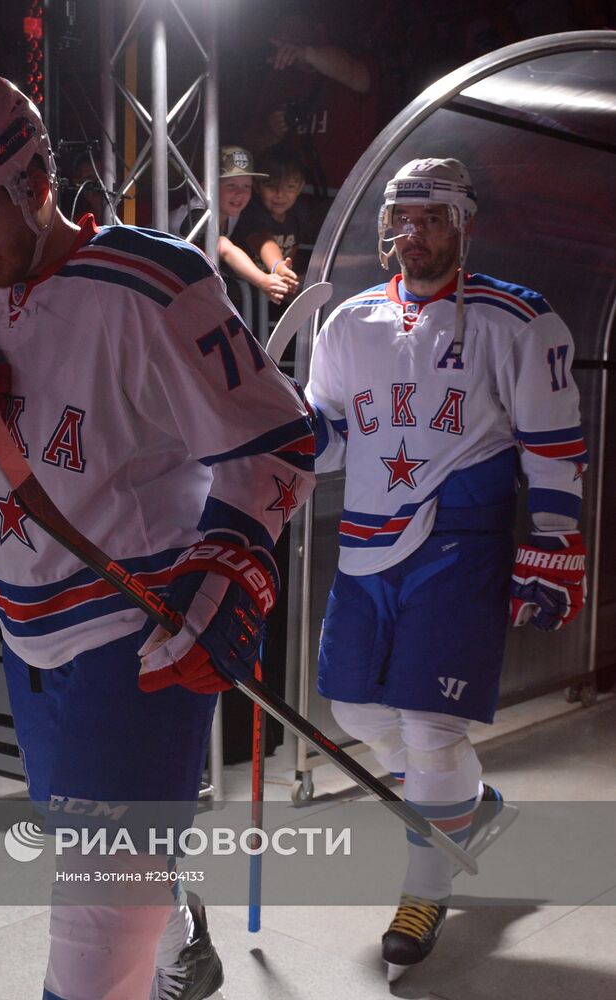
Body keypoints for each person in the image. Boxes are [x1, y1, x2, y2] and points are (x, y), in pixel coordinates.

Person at [0, 76, 314, 1000]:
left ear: (35, 179)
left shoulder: (156, 280)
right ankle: (177, 941)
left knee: (87, 937)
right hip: (27, 636)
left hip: (144, 631)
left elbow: (277, 440)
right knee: (98, 864)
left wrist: (231, 573)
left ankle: (151, 943)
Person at [305, 157, 587, 981]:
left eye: (431, 218)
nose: (412, 233)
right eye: (402, 217)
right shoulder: (349, 321)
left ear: (464, 225)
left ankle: (424, 887)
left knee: (431, 730)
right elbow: (328, 436)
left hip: (460, 544)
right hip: (366, 543)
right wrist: (277, 431)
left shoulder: (519, 319)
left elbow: (553, 443)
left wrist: (554, 541)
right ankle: (468, 809)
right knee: (354, 710)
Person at [244, 6, 375, 198]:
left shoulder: (347, 66)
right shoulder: (278, 79)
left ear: (319, 31)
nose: (289, 45)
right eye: (283, 38)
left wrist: (307, 53)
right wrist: (274, 132)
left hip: (346, 198)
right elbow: (251, 145)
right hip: (291, 201)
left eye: (296, 36)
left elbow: (359, 78)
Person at [169, 145, 296, 305]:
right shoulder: (196, 214)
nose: (240, 193)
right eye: (231, 185)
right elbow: (223, 247)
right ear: (206, 187)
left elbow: (261, 237)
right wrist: (263, 281)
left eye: (246, 186)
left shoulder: (233, 209)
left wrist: (278, 266)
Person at [234, 145, 321, 282]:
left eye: (290, 186)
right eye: (271, 186)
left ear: (300, 187)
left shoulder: (299, 213)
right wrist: (279, 267)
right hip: (243, 291)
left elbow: (293, 248)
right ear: (256, 186)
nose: (280, 194)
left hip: (274, 287)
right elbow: (263, 240)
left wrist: (286, 272)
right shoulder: (251, 212)